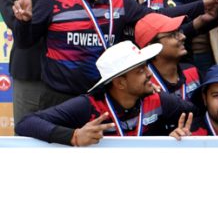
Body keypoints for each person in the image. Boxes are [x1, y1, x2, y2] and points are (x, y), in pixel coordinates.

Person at [11, 0, 154, 106]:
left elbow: (156, 18)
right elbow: (24, 42)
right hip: (60, 100)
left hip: (106, 98)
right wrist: (24, 22)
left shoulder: (120, 1)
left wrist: (195, 15)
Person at [15, 40, 198, 146]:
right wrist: (74, 136)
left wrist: (173, 137)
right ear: (120, 82)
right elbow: (26, 123)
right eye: (140, 70)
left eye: (146, 68)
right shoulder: (88, 105)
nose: (150, 74)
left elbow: (198, 113)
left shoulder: (160, 101)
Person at [135, 13, 200, 101]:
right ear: (151, 48)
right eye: (173, 34)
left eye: (179, 31)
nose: (183, 37)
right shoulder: (144, 86)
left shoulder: (192, 71)